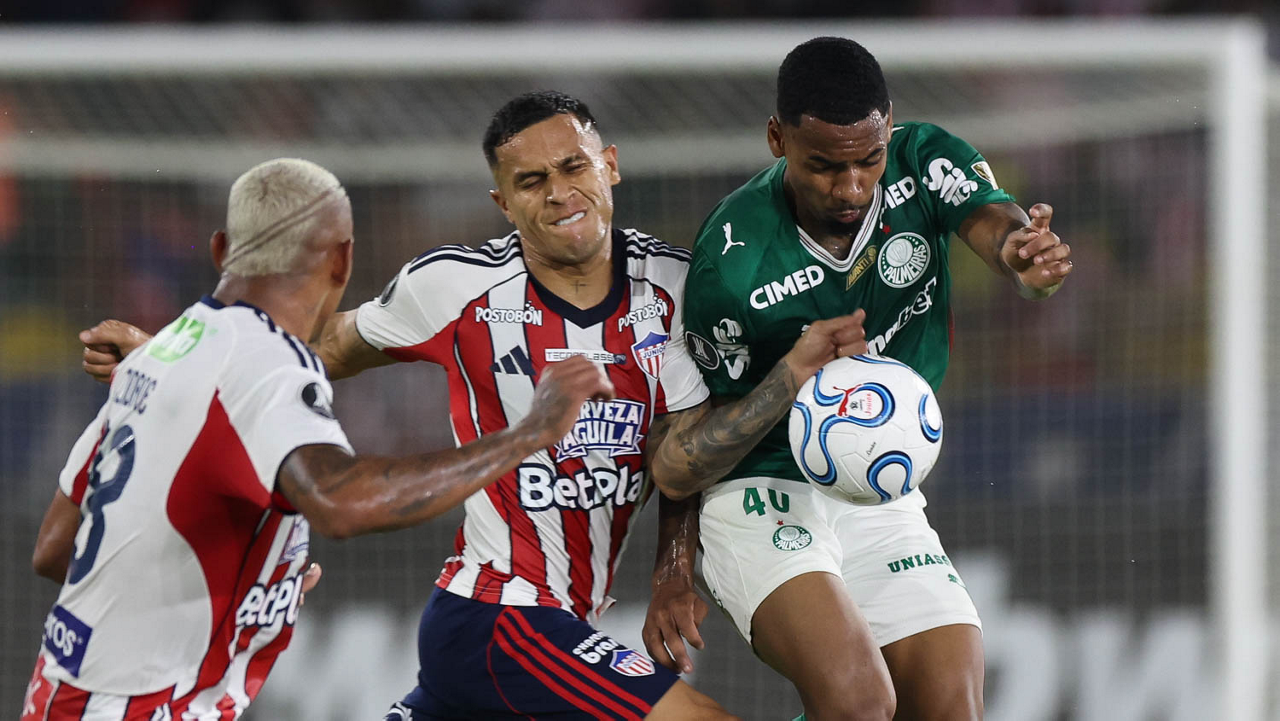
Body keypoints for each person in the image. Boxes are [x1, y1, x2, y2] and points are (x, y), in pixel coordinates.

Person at [78, 93, 867, 720]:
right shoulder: (453, 284)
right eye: (532, 182)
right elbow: (322, 347)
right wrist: (168, 356)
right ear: (503, 200)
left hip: (558, 619)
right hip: (497, 615)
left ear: (611, 166)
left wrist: (672, 567)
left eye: (572, 167)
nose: (560, 193)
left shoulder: (675, 283)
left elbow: (685, 443)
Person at [24, 158, 616, 721]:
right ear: (342, 261)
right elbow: (340, 501)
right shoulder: (267, 363)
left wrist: (255, 582)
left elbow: (55, 549)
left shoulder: (165, 355)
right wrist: (531, 431)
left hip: (64, 693)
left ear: (221, 250)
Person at [642, 37, 1074, 721]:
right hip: (760, 490)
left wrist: (1022, 256)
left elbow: (996, 225)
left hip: (876, 483)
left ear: (890, 129)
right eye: (823, 166)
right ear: (777, 139)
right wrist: (672, 567)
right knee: (858, 702)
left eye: (869, 159)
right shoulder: (734, 260)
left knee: (948, 706)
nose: (850, 187)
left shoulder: (925, 162)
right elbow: (678, 452)